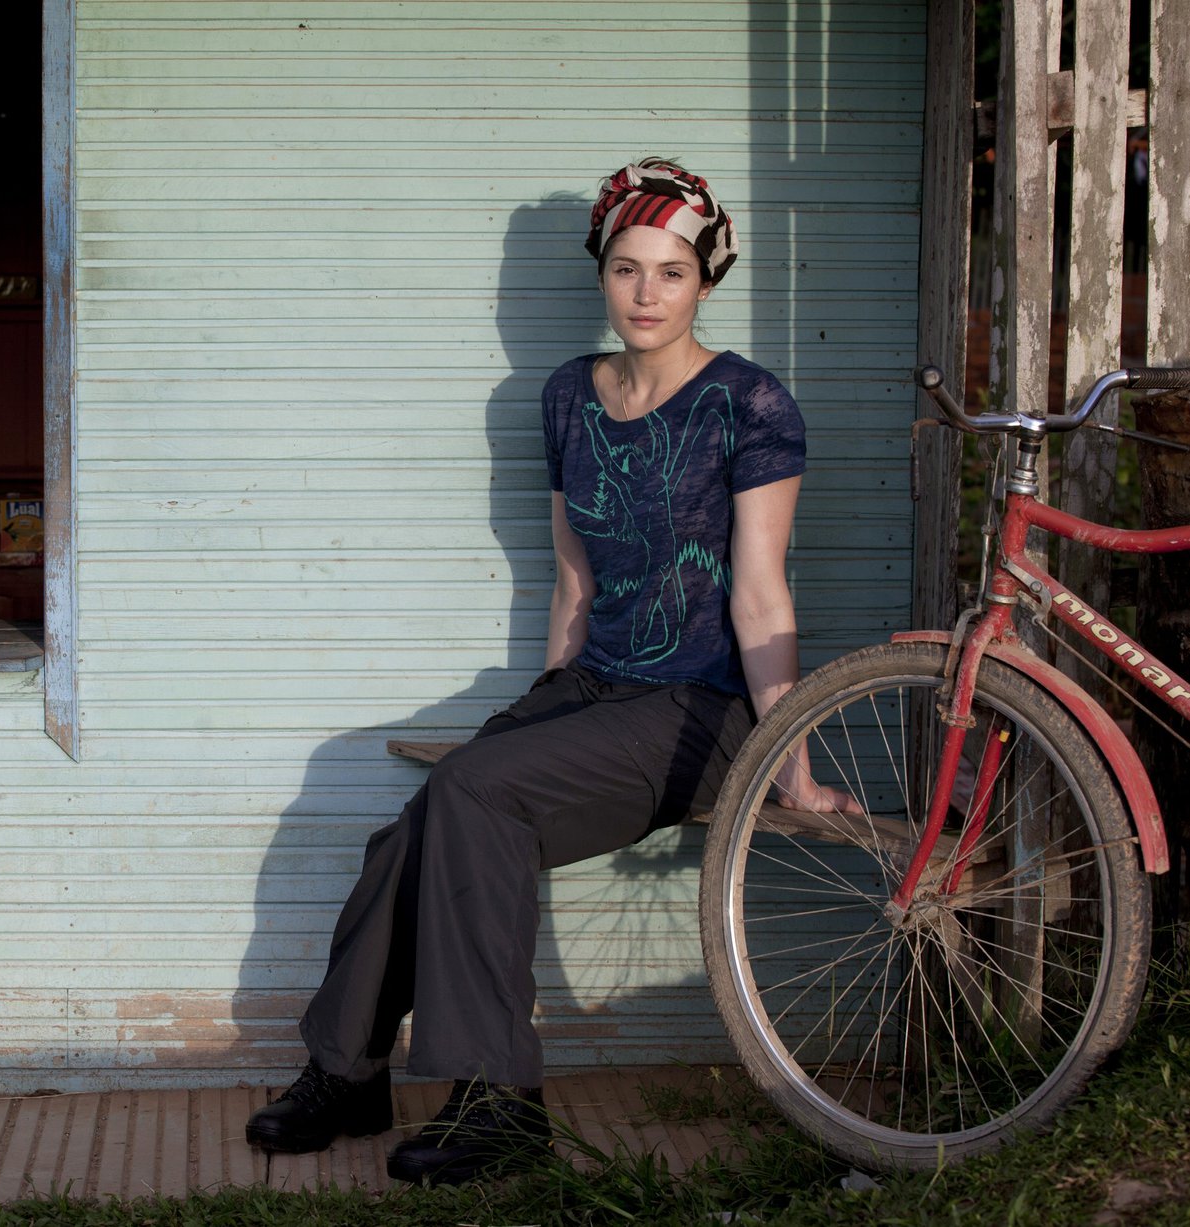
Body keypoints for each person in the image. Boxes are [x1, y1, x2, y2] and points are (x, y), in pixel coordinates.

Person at [243, 159, 857, 1186]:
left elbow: (759, 597)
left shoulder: (748, 402)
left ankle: (498, 1103)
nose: (646, 294)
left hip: (701, 711)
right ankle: (345, 1072)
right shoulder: (567, 395)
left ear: (707, 276)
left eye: (669, 271)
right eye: (625, 269)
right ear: (601, 274)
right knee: (415, 830)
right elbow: (571, 579)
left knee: (467, 792)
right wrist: (539, 710)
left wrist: (786, 766)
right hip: (595, 692)